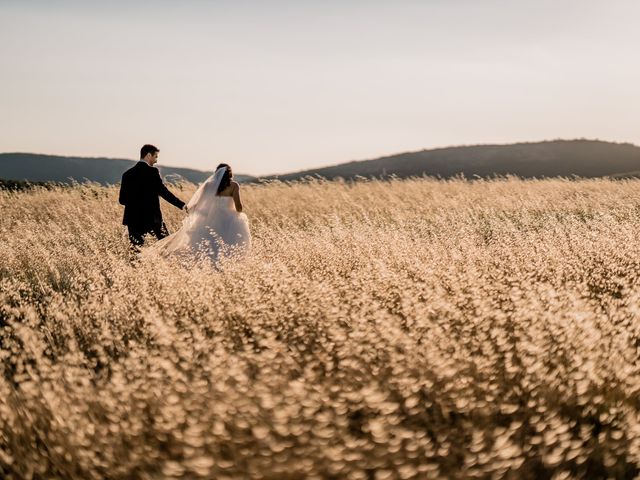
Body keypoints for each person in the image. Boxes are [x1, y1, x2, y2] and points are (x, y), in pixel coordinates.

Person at [148, 163, 251, 262]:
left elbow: (199, 204)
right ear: (230, 173)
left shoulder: (209, 185)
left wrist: (189, 208)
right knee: (229, 245)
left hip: (210, 219)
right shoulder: (234, 185)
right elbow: (239, 208)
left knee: (209, 245)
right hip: (228, 221)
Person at [118, 144, 188, 248]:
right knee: (167, 247)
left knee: (135, 254)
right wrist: (181, 205)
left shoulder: (127, 174)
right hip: (152, 218)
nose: (156, 161)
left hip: (133, 220)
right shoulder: (152, 172)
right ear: (148, 155)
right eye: (155, 157)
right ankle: (165, 264)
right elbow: (164, 192)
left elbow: (122, 200)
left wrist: (135, 202)